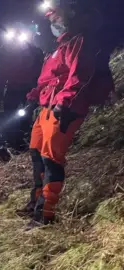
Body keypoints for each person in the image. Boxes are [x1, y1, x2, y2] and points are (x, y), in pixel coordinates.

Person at [18, 0, 115, 228]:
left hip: (64, 109)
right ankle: (36, 203)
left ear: (70, 14)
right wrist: (34, 94)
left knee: (51, 160)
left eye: (56, 17)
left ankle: (45, 215)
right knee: (37, 155)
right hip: (47, 108)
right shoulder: (59, 48)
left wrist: (64, 102)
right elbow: (47, 79)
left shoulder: (80, 41)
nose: (53, 22)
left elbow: (79, 75)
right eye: (51, 19)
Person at [0, 42, 43, 112]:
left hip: (28, 87)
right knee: (8, 111)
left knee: (30, 111)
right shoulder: (9, 53)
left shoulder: (34, 52)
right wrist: (0, 89)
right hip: (14, 87)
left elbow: (39, 69)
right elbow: (3, 71)